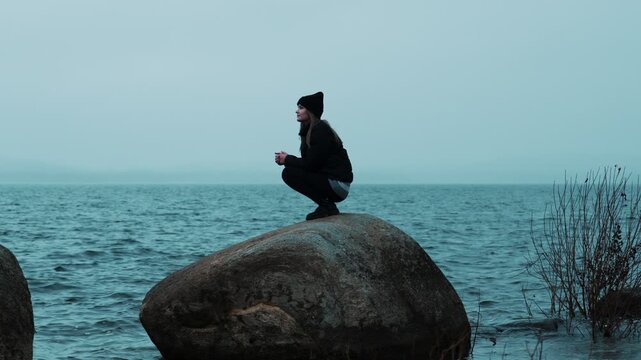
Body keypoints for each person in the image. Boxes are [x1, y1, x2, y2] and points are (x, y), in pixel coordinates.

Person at [275, 91, 353, 220]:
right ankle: (326, 206)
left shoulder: (320, 130)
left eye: (301, 107)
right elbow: (311, 163)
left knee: (289, 173)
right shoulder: (310, 131)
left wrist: (287, 159)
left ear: (310, 111)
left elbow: (311, 164)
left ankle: (327, 206)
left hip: (338, 185)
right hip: (333, 183)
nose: (296, 111)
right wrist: (288, 159)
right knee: (290, 171)